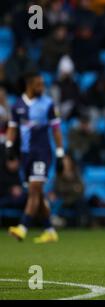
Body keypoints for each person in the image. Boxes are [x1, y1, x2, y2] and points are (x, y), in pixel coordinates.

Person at [6, 71, 65, 243]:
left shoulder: (47, 104)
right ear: (29, 85)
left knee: (34, 190)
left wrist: (60, 153)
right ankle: (50, 230)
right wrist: (9, 146)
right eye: (38, 84)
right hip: (25, 155)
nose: (42, 88)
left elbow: (56, 130)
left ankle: (22, 228)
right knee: (37, 195)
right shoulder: (17, 105)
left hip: (43, 154)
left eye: (42, 84)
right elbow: (12, 127)